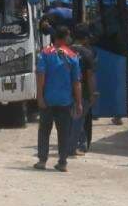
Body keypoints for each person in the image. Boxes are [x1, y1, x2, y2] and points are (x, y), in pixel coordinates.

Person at [34, 26, 82, 172]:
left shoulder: (45, 54)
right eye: (68, 36)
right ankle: (62, 162)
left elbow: (40, 75)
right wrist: (79, 102)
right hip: (65, 101)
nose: (69, 39)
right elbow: (76, 82)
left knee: (44, 131)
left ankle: (42, 161)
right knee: (64, 133)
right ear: (65, 37)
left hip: (47, 100)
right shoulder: (72, 56)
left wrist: (40, 96)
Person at [68, 23, 98, 156]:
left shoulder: (65, 51)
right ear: (85, 38)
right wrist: (93, 93)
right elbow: (90, 76)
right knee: (78, 120)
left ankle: (76, 144)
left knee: (70, 120)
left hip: (67, 91)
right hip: (83, 91)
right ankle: (72, 148)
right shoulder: (87, 54)